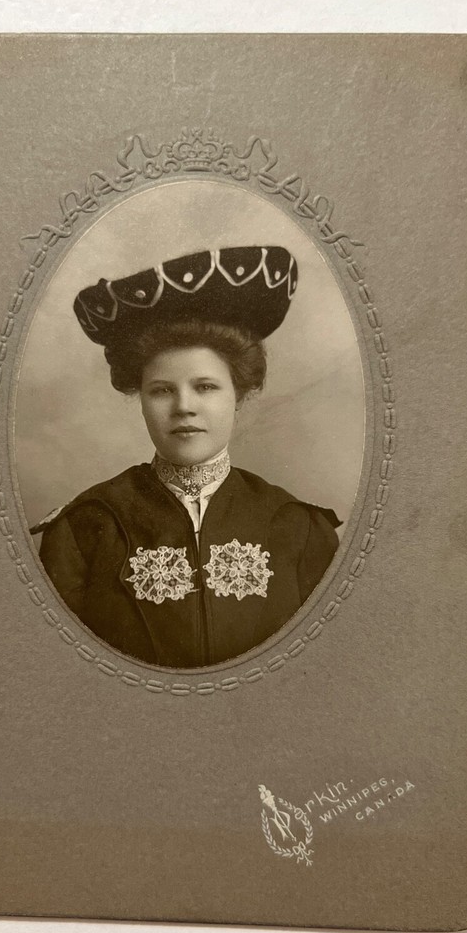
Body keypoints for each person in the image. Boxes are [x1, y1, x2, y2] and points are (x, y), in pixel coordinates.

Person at [31, 245, 341, 668]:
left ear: (238, 395)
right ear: (141, 399)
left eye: (206, 387)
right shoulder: (84, 528)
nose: (184, 407)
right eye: (162, 390)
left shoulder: (300, 528)